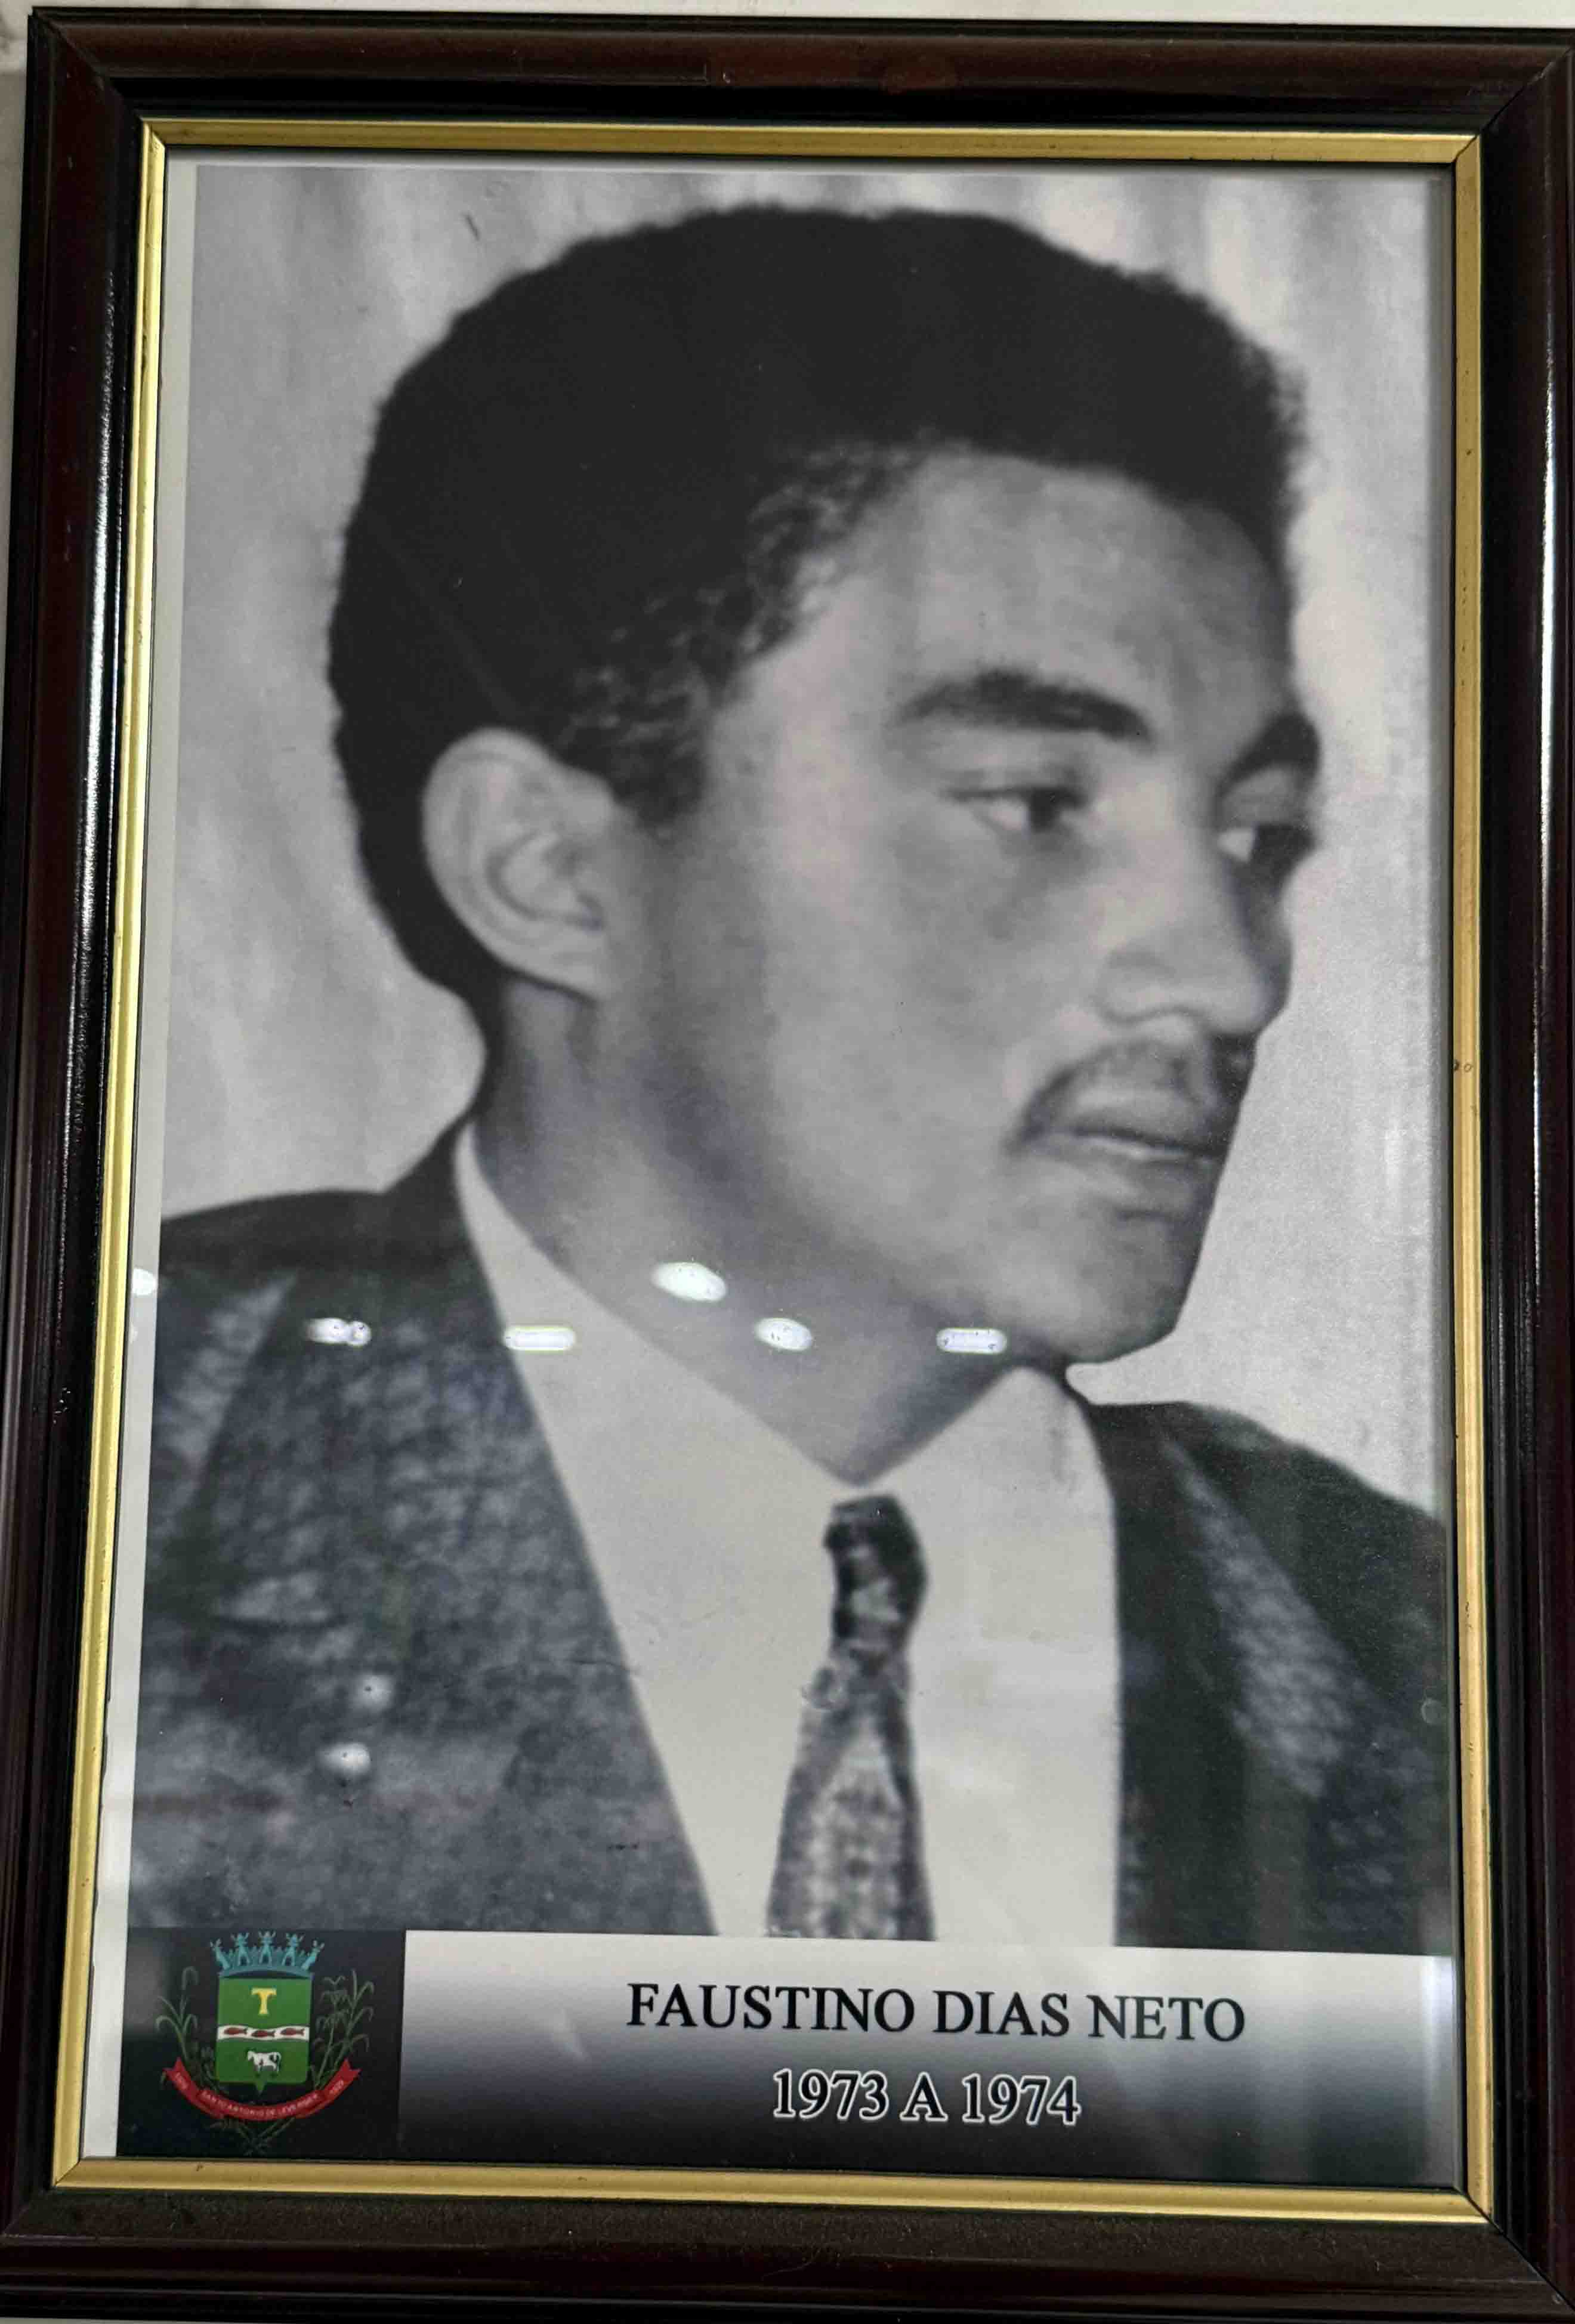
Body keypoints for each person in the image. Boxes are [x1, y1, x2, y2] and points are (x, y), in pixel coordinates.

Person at [129, 206, 1450, 1952]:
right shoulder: (102, 1510)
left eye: (1256, 836)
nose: (1233, 978)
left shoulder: (1416, 1657)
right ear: (549, 869)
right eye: (1036, 808)